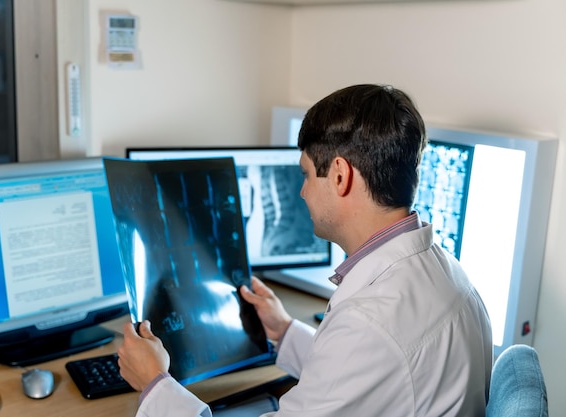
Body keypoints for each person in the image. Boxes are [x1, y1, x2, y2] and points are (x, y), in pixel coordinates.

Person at [117, 84, 493, 417]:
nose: (301, 191)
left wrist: (156, 385)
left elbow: (366, 351)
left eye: (306, 174)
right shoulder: (450, 274)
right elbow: (367, 372)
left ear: (341, 176)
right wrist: (283, 331)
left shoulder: (370, 321)